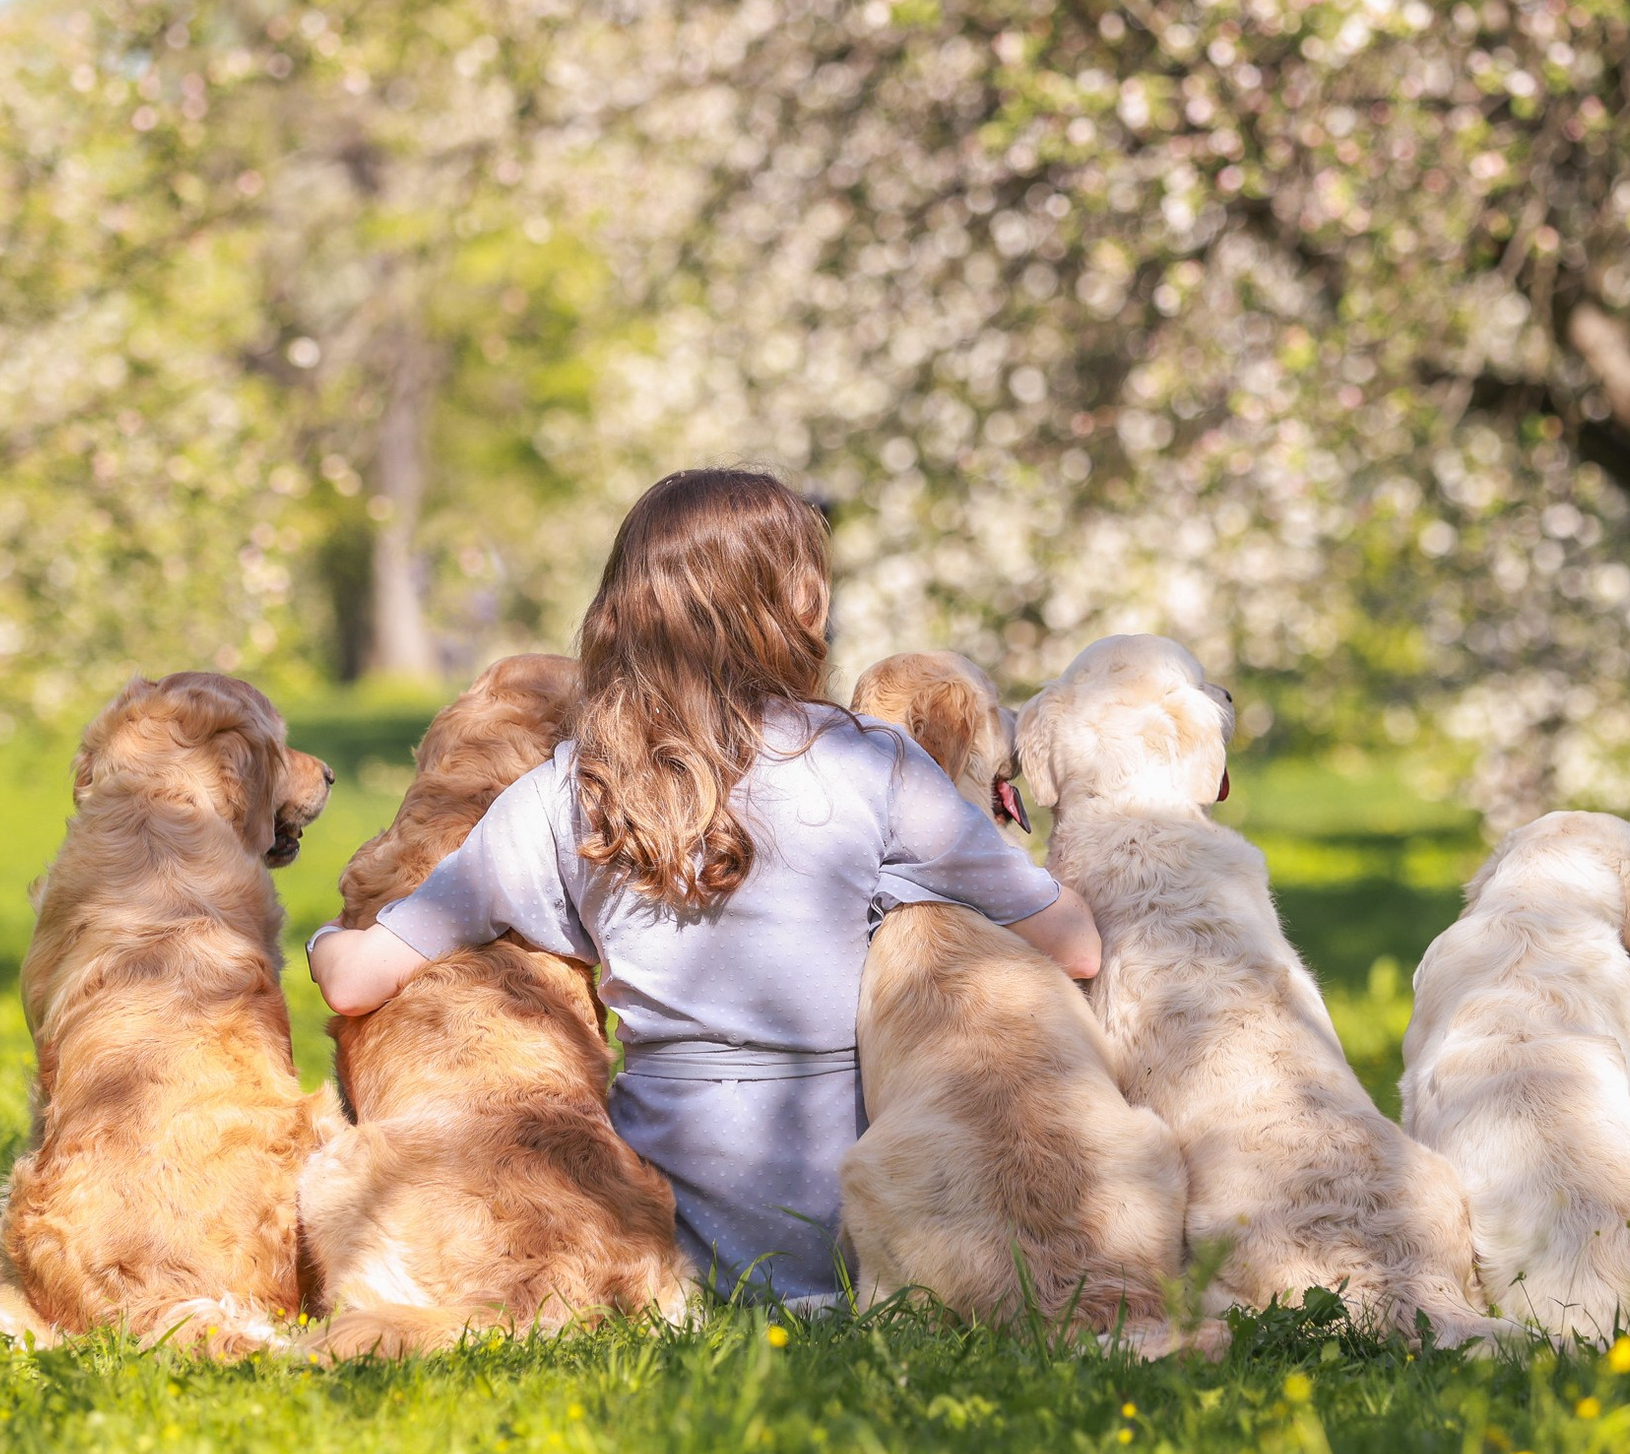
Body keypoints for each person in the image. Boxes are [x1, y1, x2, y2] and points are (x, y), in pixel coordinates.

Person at [304, 469, 1100, 1304]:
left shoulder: (570, 789)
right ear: (803, 604)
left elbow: (356, 981)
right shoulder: (873, 761)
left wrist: (326, 942)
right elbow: (1076, 947)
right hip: (859, 1228)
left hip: (672, 1237)